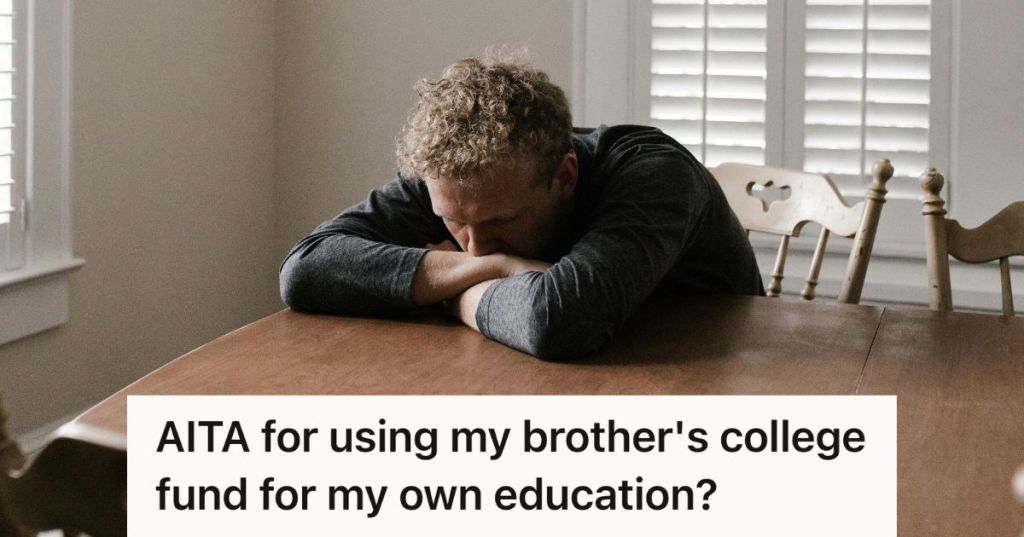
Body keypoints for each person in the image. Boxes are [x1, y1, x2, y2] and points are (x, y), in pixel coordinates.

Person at [280, 54, 763, 359]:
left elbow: (559, 321)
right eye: (452, 222)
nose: (474, 247)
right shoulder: (455, 178)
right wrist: (497, 268)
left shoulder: (654, 173)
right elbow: (305, 270)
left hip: (725, 381)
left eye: (501, 222)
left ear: (564, 177)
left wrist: (449, 292)